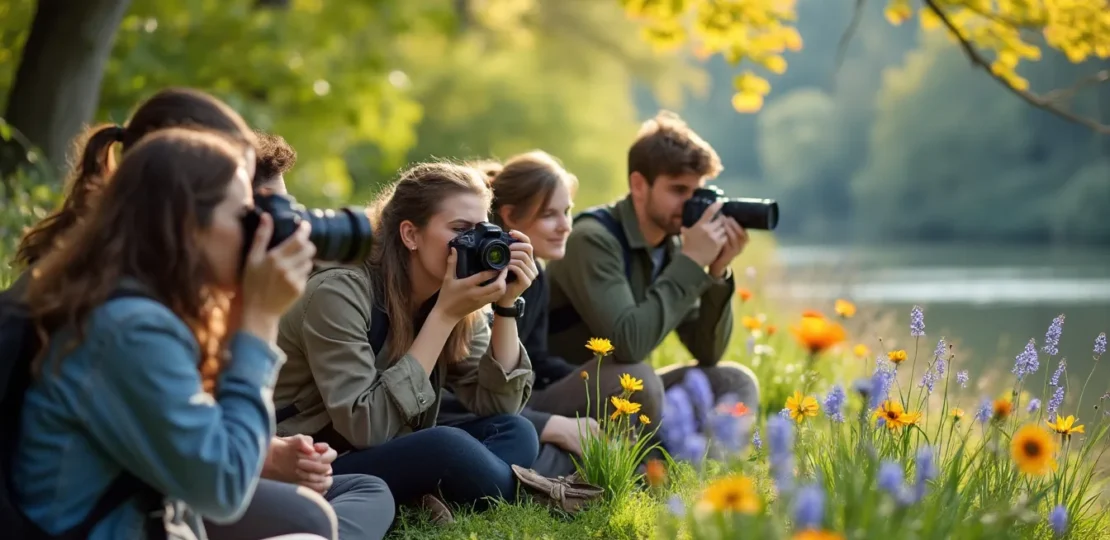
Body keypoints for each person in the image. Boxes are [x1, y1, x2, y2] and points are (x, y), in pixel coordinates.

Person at [12, 128, 328, 540]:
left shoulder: (138, 303)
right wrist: (260, 320)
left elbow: (197, 440)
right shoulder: (129, 328)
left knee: (311, 527)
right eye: (245, 216)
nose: (260, 232)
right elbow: (223, 487)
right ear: (186, 225)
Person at [271, 161, 540, 519]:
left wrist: (506, 306)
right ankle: (529, 492)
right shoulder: (339, 291)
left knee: (516, 431)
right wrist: (444, 316)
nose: (475, 245)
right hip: (313, 461)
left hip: (384, 448)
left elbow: (499, 406)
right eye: (460, 230)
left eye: (483, 230)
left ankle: (430, 494)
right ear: (410, 234)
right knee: (444, 447)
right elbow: (365, 427)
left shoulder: (452, 291)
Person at [204, 130, 395, 540]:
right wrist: (259, 314)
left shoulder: (218, 296)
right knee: (311, 522)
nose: (293, 229)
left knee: (368, 489)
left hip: (212, 471)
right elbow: (202, 454)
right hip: (157, 498)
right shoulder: (147, 314)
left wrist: (276, 452)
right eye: (269, 214)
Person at [540, 110, 760, 438]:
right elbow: (629, 345)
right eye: (678, 190)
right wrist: (689, 262)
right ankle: (643, 465)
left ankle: (705, 473)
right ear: (639, 185)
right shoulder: (592, 239)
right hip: (556, 393)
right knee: (640, 376)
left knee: (733, 381)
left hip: (625, 393)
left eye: (698, 192)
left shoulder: (671, 246)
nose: (690, 205)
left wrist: (716, 270)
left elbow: (707, 352)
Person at [437, 152, 591, 478]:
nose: (565, 226)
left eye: (567, 212)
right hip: (470, 410)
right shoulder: (469, 273)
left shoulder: (536, 275)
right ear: (510, 216)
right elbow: (456, 388)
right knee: (531, 445)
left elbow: (535, 356)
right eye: (550, 215)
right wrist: (548, 423)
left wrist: (588, 378)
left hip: (510, 400)